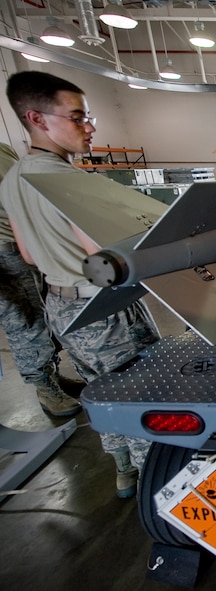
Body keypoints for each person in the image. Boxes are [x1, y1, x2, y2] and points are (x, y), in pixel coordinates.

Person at [0, 71, 160, 498]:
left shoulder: (14, 179)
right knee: (139, 398)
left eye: (88, 117)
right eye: (77, 117)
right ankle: (156, 487)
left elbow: (28, 255)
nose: (89, 127)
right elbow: (103, 250)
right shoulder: (73, 182)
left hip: (62, 307)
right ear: (36, 118)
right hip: (106, 309)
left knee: (101, 395)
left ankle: (124, 472)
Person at [0, 143, 81, 417]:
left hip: (21, 245)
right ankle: (44, 386)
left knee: (42, 316)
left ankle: (52, 376)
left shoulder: (5, 150)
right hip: (3, 254)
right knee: (25, 323)